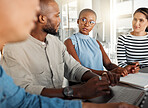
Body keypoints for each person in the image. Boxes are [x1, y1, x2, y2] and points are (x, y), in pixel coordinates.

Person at [0, 0, 139, 108]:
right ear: (42, 19)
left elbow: (74, 68)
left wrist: (99, 78)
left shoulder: (56, 43)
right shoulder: (13, 49)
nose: (60, 20)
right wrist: (77, 92)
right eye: (57, 15)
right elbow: (24, 93)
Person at [64, 9, 138, 77]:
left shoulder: (96, 42)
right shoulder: (69, 42)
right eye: (83, 20)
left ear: (94, 24)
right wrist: (106, 73)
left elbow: (108, 65)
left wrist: (123, 69)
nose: (87, 24)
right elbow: (78, 70)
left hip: (101, 82)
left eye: (91, 22)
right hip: (83, 85)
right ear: (78, 21)